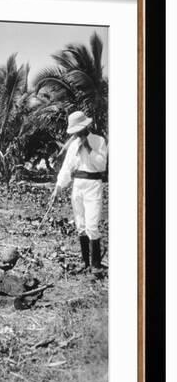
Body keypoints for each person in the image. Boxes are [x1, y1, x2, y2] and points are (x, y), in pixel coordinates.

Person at [52, 111, 108, 274]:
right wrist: (58, 188)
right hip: (78, 186)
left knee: (92, 225)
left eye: (80, 129)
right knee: (81, 225)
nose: (77, 133)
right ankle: (85, 262)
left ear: (86, 126)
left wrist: (88, 147)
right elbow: (67, 169)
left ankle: (96, 265)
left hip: (93, 185)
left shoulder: (98, 141)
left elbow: (101, 165)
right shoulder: (73, 146)